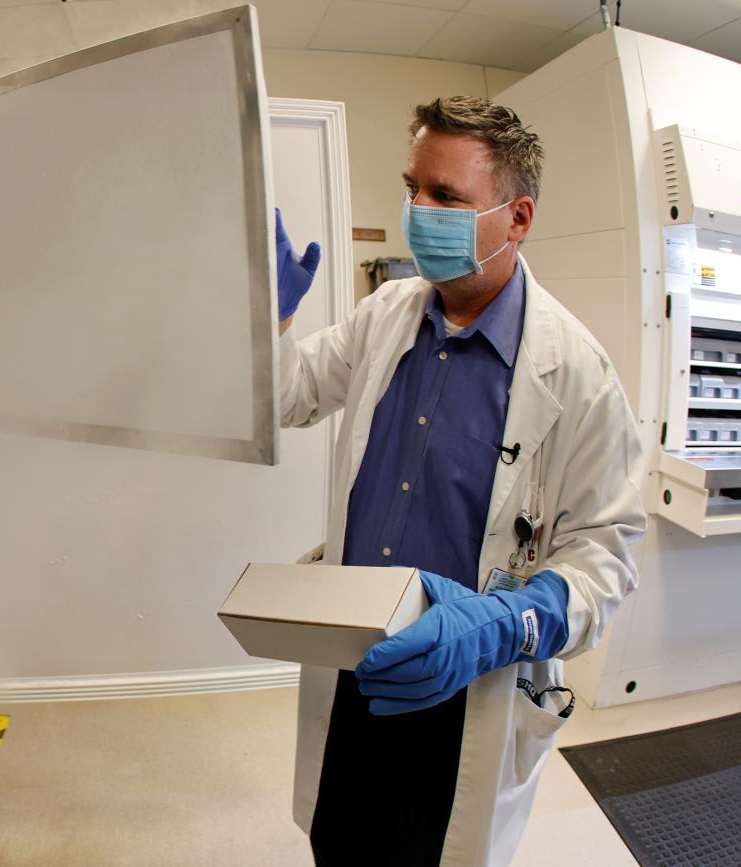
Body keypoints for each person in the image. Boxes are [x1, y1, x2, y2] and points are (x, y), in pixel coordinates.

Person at [275, 96, 647, 866]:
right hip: (353, 658)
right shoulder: (387, 313)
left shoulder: (578, 374)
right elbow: (292, 393)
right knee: (338, 837)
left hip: (467, 680)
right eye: (414, 186)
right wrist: (272, 323)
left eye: (447, 197)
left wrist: (506, 622)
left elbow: (605, 555)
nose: (419, 210)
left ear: (518, 219)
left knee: (428, 850)